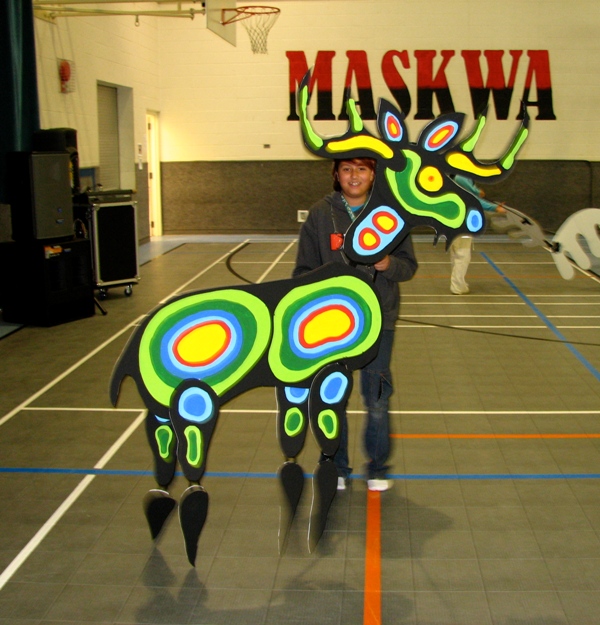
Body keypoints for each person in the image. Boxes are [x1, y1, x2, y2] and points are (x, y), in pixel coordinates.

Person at [293, 157, 418, 492]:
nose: (354, 176)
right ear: (336, 174)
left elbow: (408, 266)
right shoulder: (321, 214)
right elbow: (302, 270)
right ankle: (336, 466)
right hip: (331, 324)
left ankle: (378, 467)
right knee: (332, 397)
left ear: (373, 174)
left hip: (378, 321)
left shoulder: (391, 212)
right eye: (347, 169)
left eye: (362, 169)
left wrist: (388, 263)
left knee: (376, 397)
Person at [450, 175, 505, 295]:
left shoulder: (459, 181)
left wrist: (476, 191)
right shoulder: (461, 177)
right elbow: (475, 199)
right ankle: (457, 286)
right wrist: (495, 208)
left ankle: (459, 284)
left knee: (457, 253)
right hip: (461, 222)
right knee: (462, 255)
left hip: (455, 221)